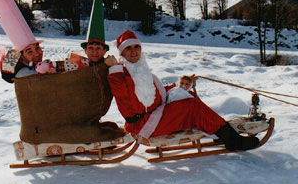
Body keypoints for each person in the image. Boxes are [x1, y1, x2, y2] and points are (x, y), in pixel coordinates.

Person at [105, 30, 259, 151]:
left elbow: (155, 93)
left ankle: (218, 132)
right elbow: (122, 95)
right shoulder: (121, 74)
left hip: (153, 114)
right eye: (128, 48)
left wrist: (180, 86)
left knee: (188, 96)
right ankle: (233, 141)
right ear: (122, 53)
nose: (133, 51)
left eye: (136, 47)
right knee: (191, 106)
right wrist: (114, 68)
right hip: (142, 124)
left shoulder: (139, 68)